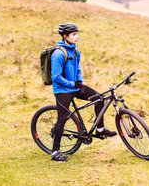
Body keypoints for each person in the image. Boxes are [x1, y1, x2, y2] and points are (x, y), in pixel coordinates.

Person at [50, 23, 117, 161]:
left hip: (75, 86)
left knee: (99, 98)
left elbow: (78, 68)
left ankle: (100, 129)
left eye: (77, 34)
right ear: (65, 36)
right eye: (74, 34)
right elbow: (56, 77)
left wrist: (79, 82)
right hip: (62, 89)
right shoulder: (58, 54)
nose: (77, 37)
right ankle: (55, 152)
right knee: (62, 119)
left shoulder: (75, 51)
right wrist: (71, 84)